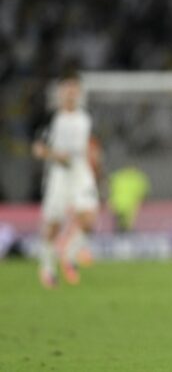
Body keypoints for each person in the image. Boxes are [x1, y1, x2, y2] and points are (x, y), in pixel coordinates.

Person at [32, 73, 99, 288]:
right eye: (67, 89)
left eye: (74, 89)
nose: (71, 93)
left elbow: (90, 145)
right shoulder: (50, 118)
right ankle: (47, 269)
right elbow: (38, 149)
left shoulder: (85, 117)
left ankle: (69, 255)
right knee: (53, 225)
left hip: (80, 171)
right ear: (60, 93)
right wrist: (54, 155)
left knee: (88, 220)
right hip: (59, 174)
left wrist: (95, 163)